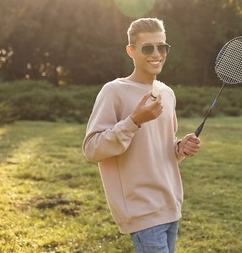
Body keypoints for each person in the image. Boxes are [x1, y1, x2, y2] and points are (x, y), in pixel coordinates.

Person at [82, 17, 200, 252]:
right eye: (148, 48)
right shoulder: (114, 91)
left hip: (170, 206)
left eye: (162, 47)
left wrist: (179, 148)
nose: (157, 54)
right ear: (131, 51)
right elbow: (92, 149)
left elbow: (161, 149)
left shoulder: (167, 93)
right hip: (142, 212)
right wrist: (134, 121)